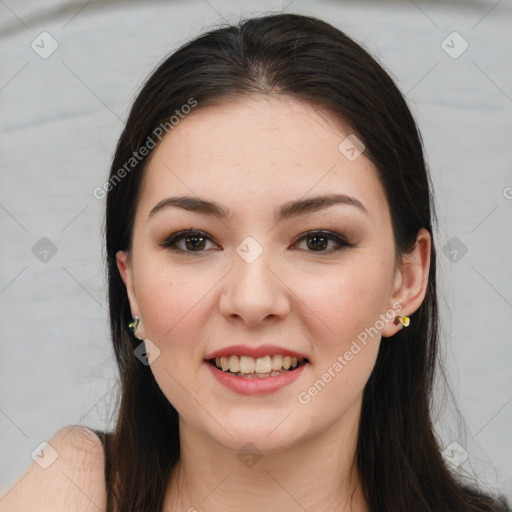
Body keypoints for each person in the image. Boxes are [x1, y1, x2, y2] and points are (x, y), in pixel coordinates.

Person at [1, 12, 509, 512]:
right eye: (194, 241)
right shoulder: (67, 487)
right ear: (130, 281)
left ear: (407, 278)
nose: (252, 300)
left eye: (318, 241)